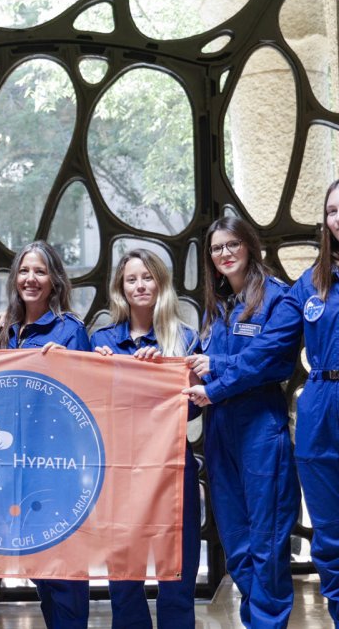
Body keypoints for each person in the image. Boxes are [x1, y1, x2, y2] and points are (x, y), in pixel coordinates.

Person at [184, 177, 339, 629]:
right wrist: (218, 370)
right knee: (331, 542)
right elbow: (269, 348)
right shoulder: (310, 282)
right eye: (331, 211)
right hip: (318, 411)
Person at [190, 218, 300, 628]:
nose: (225, 254)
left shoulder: (277, 298)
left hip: (259, 424)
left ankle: (267, 622)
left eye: (232, 244)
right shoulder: (217, 306)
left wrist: (216, 375)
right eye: (217, 248)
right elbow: (196, 363)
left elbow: (266, 360)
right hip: (220, 428)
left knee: (267, 541)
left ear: (250, 245)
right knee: (236, 543)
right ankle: (259, 621)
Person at [89, 249, 201, 629]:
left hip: (173, 468)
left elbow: (195, 409)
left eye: (147, 277)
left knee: (178, 574)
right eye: (132, 279)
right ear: (120, 287)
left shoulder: (184, 338)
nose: (140, 285)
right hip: (119, 471)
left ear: (161, 282)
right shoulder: (101, 340)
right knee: (124, 580)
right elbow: (87, 407)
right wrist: (99, 371)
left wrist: (162, 375)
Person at [0, 240, 92, 629]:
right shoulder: (6, 332)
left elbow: (87, 400)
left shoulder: (70, 330)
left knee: (65, 569)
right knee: (40, 568)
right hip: (18, 470)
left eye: (40, 271)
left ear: (55, 280)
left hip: (59, 470)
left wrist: (65, 369)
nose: (30, 279)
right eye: (24, 271)